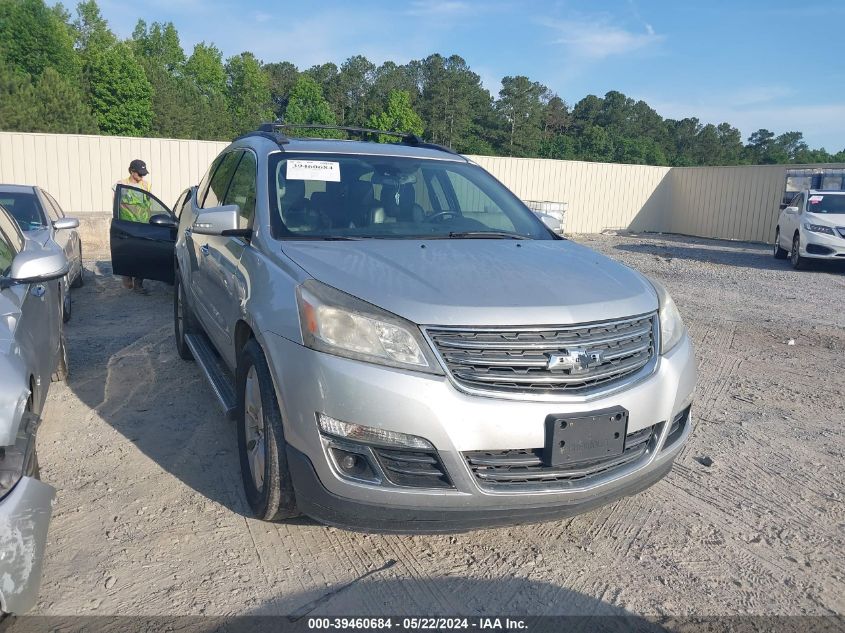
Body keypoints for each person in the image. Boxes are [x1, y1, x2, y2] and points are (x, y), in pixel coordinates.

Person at [115, 159, 152, 292]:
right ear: (132, 171)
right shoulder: (121, 184)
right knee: (128, 253)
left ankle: (139, 283)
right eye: (140, 174)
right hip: (126, 225)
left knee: (141, 254)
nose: (142, 177)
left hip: (141, 226)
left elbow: (149, 205)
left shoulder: (146, 185)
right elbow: (116, 204)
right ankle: (127, 276)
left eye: (144, 174)